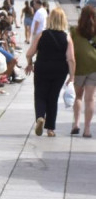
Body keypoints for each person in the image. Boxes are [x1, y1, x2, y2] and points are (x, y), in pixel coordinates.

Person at [25, 8, 76, 137]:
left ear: (50, 19)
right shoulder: (66, 37)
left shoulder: (42, 34)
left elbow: (29, 53)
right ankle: (50, 129)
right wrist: (72, 76)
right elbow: (71, 59)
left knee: (40, 95)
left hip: (42, 68)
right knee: (53, 98)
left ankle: (40, 117)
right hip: (59, 71)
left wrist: (30, 64)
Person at [71, 5, 96, 138]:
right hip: (94, 67)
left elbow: (70, 49)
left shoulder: (74, 31)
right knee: (90, 99)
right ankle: (87, 130)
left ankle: (76, 124)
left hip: (79, 66)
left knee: (78, 96)